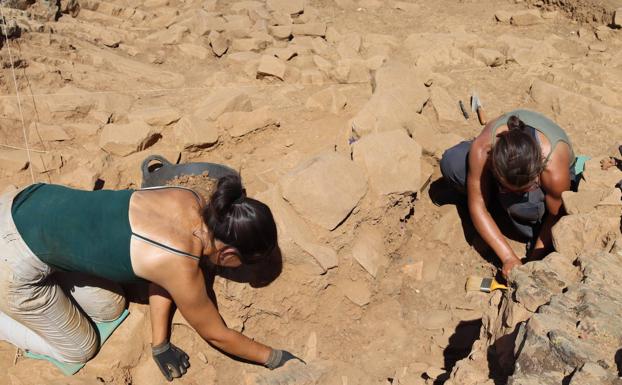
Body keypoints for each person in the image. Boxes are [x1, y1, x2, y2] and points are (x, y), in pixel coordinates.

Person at [0, 174, 300, 381]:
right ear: (230, 255)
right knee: (79, 348)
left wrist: (160, 343)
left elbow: (161, 273)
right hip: (11, 257)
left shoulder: (190, 197)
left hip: (34, 201)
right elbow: (216, 334)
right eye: (242, 265)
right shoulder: (181, 266)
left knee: (110, 306)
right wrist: (275, 358)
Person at [440, 109, 578, 278]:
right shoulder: (483, 148)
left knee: (526, 209)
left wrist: (533, 260)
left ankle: (516, 210)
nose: (509, 192)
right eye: (504, 187)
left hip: (547, 185)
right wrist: (508, 258)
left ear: (537, 175)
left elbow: (555, 217)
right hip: (507, 170)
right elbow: (478, 205)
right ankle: (504, 205)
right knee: (453, 163)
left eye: (522, 190)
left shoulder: (553, 169)